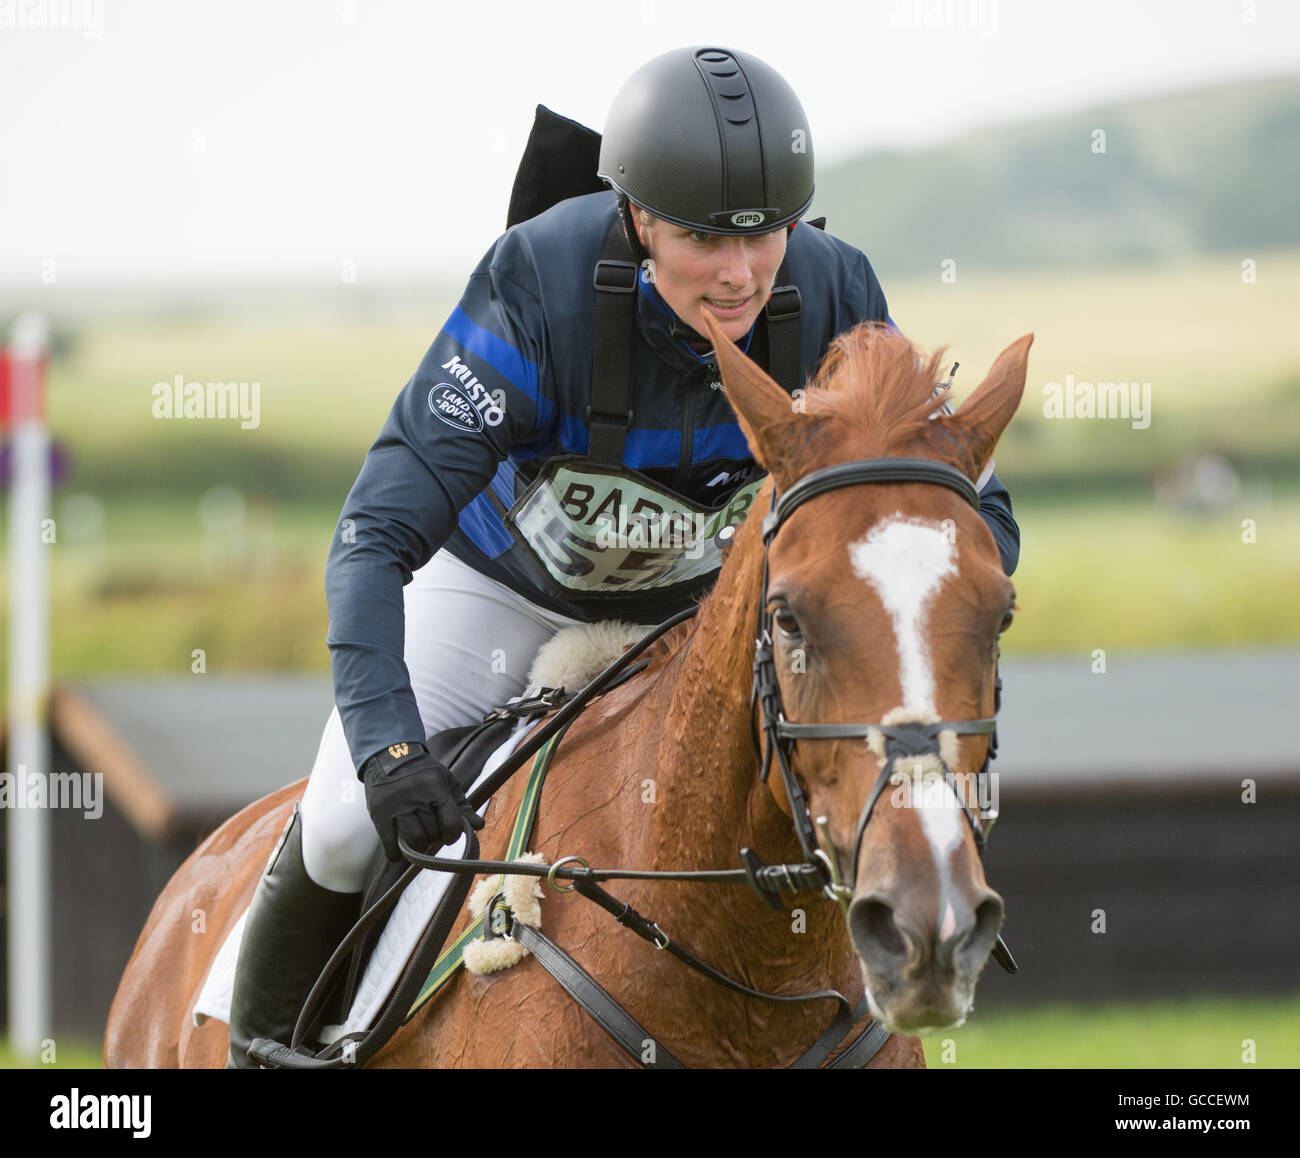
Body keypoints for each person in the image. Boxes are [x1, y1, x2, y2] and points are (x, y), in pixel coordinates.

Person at [226, 45, 1021, 1067]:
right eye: (701, 238)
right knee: (340, 825)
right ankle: (263, 1054)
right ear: (638, 215)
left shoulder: (830, 288)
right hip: (497, 592)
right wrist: (387, 748)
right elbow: (373, 535)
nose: (739, 275)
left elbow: (966, 511)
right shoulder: (538, 282)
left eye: (763, 233)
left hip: (689, 615)